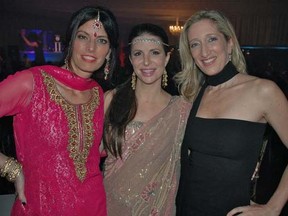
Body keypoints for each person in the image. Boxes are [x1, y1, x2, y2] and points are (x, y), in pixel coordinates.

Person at [0, 5, 119, 215]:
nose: (91, 47)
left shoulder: (98, 94)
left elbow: (92, 152)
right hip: (40, 207)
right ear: (71, 41)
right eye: (83, 37)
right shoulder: (32, 83)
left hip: (93, 206)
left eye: (101, 40)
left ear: (109, 52)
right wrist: (11, 168)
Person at [175, 10, 288, 216]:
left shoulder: (263, 91)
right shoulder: (194, 94)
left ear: (229, 43)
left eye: (211, 39)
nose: (204, 51)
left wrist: (274, 206)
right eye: (195, 44)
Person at [103, 23, 191, 215]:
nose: (146, 61)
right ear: (130, 59)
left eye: (155, 53)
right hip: (110, 207)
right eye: (138, 54)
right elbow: (84, 153)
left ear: (167, 57)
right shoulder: (112, 99)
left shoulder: (181, 109)